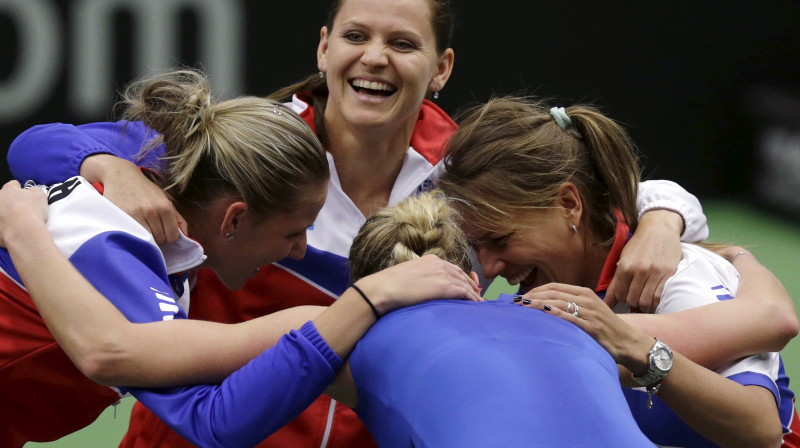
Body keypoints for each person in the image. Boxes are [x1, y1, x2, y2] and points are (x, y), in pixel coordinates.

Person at [6, 0, 713, 445]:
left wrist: (663, 216)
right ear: (323, 49)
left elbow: (581, 189)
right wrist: (111, 163)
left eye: (403, 43)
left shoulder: (469, 178)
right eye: (355, 35)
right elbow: (39, 148)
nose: (374, 57)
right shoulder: (250, 150)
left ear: (442, 68)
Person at [0, 70, 482, 448]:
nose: (298, 250)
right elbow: (202, 413)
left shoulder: (167, 239)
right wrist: (355, 305)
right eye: (295, 233)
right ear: (233, 220)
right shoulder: (114, 240)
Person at [436, 96, 800, 447]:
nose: (488, 267)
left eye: (500, 240)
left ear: (569, 205)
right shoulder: (553, 285)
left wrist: (642, 354)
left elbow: (761, 431)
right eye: (476, 245)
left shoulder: (678, 279)